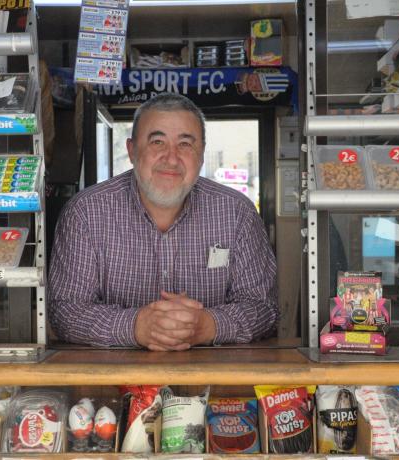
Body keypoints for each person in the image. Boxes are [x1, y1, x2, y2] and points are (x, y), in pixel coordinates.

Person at [48, 92, 278, 351]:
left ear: (201, 154)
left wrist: (207, 325)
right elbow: (64, 310)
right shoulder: (85, 213)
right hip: (111, 382)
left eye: (185, 144)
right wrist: (135, 326)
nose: (171, 158)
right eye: (157, 142)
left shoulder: (237, 212)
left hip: (216, 379)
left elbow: (264, 308)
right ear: (132, 151)